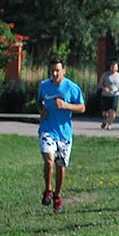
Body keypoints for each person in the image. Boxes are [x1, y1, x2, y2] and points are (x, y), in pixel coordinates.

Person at [37, 58, 85, 213]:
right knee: (49, 159)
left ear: (64, 70)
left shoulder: (72, 88)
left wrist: (66, 106)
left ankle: (57, 196)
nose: (55, 73)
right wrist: (41, 110)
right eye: (52, 70)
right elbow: (39, 101)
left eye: (57, 70)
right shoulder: (44, 86)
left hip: (64, 133)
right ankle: (48, 190)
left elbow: (82, 107)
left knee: (60, 166)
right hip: (47, 129)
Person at [98, 60, 119, 130]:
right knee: (105, 113)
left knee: (112, 111)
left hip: (115, 95)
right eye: (113, 67)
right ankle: (105, 120)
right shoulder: (105, 75)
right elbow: (100, 84)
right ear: (110, 67)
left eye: (115, 67)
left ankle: (110, 125)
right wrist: (104, 88)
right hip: (105, 95)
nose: (114, 68)